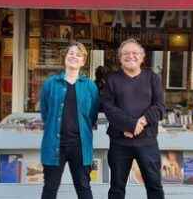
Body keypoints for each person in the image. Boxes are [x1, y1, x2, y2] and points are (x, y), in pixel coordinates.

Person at [101, 38, 166, 199]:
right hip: (120, 142)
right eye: (126, 53)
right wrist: (129, 125)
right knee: (116, 188)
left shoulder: (152, 78)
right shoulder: (112, 79)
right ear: (119, 57)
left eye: (135, 53)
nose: (131, 56)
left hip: (147, 142)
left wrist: (140, 123)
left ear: (142, 57)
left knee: (154, 186)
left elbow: (160, 107)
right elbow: (108, 108)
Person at [39, 42, 99, 199]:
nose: (74, 56)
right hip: (54, 144)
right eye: (71, 53)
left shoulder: (90, 86)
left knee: (84, 187)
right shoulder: (50, 84)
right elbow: (45, 112)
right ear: (65, 57)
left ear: (83, 61)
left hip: (80, 145)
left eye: (78, 55)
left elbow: (92, 115)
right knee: (50, 188)